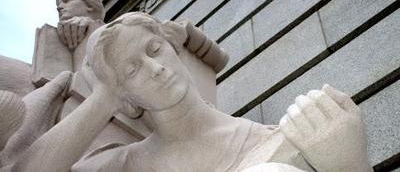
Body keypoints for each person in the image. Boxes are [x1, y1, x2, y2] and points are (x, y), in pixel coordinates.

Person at [13, 13, 373, 172]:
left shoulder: (285, 137)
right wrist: (105, 95)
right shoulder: (125, 164)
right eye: (133, 70)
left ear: (172, 48)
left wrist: (351, 166)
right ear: (128, 98)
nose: (155, 68)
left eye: (154, 50)